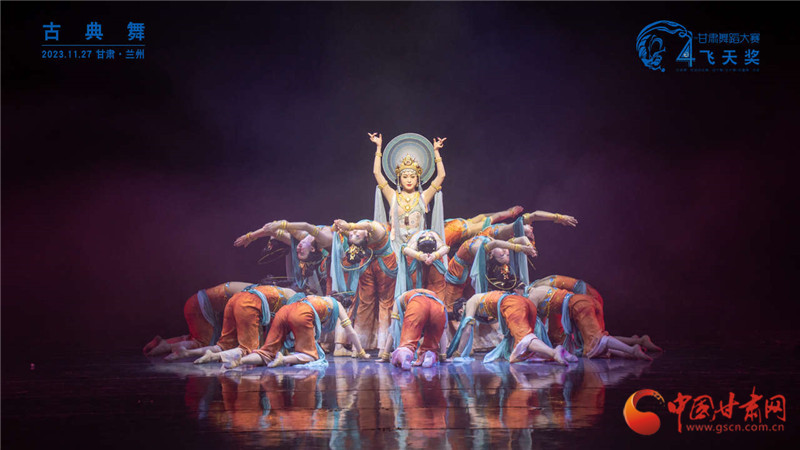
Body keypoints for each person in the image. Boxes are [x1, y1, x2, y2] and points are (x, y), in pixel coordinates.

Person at [224, 294, 368, 368]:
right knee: (312, 356)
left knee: (267, 352)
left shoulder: (317, 298)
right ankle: (283, 359)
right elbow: (350, 331)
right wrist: (361, 352)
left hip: (285, 310)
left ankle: (240, 361)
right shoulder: (337, 305)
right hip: (302, 313)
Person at [516, 284, 654, 360]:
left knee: (597, 340)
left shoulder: (532, 296)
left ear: (518, 290)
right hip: (583, 302)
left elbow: (531, 322)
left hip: (579, 306)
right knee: (591, 343)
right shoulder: (540, 288)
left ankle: (633, 350)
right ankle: (635, 344)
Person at [167, 285, 298, 363]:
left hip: (234, 300)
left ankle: (187, 353)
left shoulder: (286, 293)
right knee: (247, 350)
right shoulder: (299, 304)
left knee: (224, 345)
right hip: (248, 303)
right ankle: (214, 356)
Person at [531, 275, 662, 351]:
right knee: (595, 339)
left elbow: (550, 314)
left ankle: (633, 348)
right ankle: (637, 341)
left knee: (593, 343)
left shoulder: (539, 289)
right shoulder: (543, 284)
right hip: (589, 298)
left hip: (585, 300)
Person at [447, 291, 577, 364]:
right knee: (518, 352)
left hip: (512, 304)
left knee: (524, 339)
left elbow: (467, 329)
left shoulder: (470, 302)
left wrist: (458, 353)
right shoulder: (483, 301)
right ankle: (564, 354)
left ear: (460, 311)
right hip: (523, 302)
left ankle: (554, 353)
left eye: (461, 317)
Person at [370, 132, 446, 245]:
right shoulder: (393, 196)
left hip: (418, 246)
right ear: (399, 180)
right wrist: (378, 147)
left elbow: (441, 176)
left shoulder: (423, 197)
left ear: (417, 179)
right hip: (395, 245)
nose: (409, 180)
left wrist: (436, 152)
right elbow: (377, 173)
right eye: (405, 177)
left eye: (412, 177)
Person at [331, 219, 397, 349]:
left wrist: (345, 226)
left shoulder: (370, 231)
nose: (354, 232)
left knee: (383, 304)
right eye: (353, 235)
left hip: (382, 265)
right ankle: (360, 345)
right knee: (368, 303)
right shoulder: (374, 231)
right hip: (375, 265)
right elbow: (368, 226)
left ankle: (382, 347)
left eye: (355, 233)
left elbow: (362, 227)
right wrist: (346, 226)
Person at [143, 281, 255, 357]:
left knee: (198, 339)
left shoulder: (254, 290)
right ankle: (167, 346)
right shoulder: (253, 296)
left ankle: (164, 342)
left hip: (196, 304)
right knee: (205, 344)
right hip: (198, 307)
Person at [377, 289, 448, 368]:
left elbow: (393, 329)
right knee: (430, 345)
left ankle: (405, 355)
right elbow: (442, 332)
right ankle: (428, 354)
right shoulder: (432, 294)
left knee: (408, 344)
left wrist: (385, 355)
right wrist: (443, 356)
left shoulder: (399, 300)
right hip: (438, 307)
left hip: (417, 305)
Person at [399, 229, 449, 301]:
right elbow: (406, 250)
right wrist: (419, 256)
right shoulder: (415, 241)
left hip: (435, 264)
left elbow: (445, 248)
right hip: (417, 265)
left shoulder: (435, 237)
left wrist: (434, 256)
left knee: (437, 291)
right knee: (416, 293)